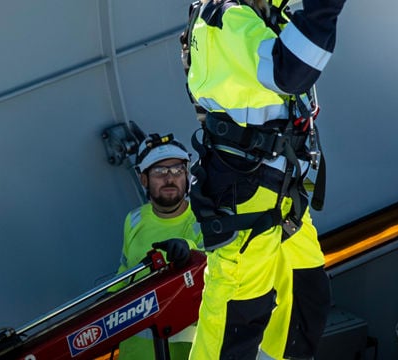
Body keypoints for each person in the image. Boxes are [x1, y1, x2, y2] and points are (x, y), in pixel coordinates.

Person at [181, 0, 342, 359]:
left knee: (306, 297)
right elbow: (291, 71)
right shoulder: (226, 19)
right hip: (246, 191)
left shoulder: (263, 15)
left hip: (280, 191)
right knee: (236, 320)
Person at [114, 135, 203, 360]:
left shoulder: (205, 220)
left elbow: (210, 264)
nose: (170, 179)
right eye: (160, 172)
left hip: (185, 352)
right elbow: (123, 276)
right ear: (143, 179)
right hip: (135, 351)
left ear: (187, 175)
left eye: (177, 170)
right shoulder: (134, 220)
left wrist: (187, 249)